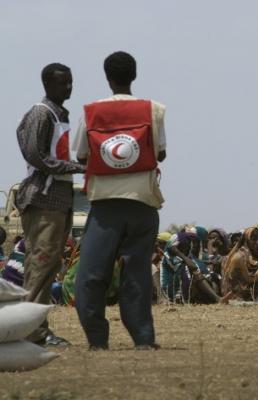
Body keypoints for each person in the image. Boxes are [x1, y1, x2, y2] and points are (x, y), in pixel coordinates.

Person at [73, 51, 166, 350]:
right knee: (136, 275)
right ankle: (143, 339)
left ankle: (98, 341)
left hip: (105, 205)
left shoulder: (91, 112)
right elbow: (160, 153)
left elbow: (81, 155)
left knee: (91, 275)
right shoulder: (154, 110)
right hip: (143, 203)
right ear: (134, 76)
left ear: (107, 78)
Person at [16, 63, 86, 346]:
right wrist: (76, 167)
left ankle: (36, 329)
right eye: (62, 84)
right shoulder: (41, 113)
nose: (68, 88)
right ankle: (30, 331)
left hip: (59, 200)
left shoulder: (60, 116)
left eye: (70, 82)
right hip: (43, 199)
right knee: (40, 264)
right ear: (47, 85)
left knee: (47, 267)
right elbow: (36, 155)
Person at [220, 227, 258, 303]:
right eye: (254, 239)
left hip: (253, 295)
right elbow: (246, 281)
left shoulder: (256, 255)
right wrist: (256, 277)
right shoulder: (239, 257)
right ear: (246, 240)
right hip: (238, 297)